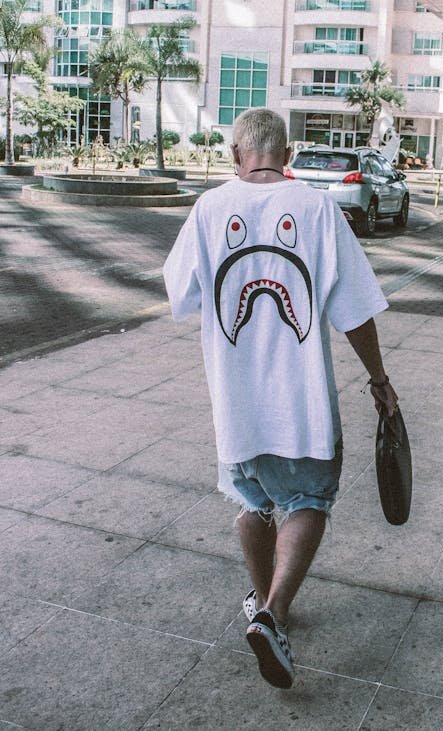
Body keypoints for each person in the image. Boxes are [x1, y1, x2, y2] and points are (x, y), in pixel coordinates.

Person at [163, 108, 398, 690]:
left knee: (252, 501)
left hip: (234, 402)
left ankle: (262, 601)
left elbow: (182, 295)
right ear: (287, 155)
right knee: (308, 500)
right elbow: (355, 312)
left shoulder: (208, 208)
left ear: (237, 154)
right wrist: (379, 379)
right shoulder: (319, 209)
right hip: (301, 401)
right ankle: (274, 611)